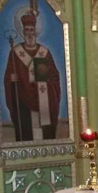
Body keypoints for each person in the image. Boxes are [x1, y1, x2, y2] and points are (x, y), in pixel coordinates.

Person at [4, 11, 62, 141]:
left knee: (45, 132)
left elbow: (54, 76)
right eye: (26, 30)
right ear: (22, 32)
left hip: (44, 98)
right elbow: (8, 77)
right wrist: (11, 79)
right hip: (24, 100)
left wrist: (48, 84)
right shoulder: (15, 53)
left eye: (31, 30)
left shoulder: (44, 52)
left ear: (35, 32)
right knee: (27, 131)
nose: (29, 33)